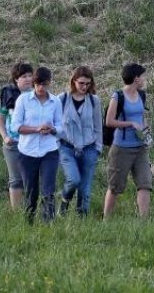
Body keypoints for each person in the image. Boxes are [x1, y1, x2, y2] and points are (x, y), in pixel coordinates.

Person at [10, 66, 62, 224]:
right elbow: (15, 127)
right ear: (34, 83)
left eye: (44, 84)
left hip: (49, 151)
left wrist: (52, 129)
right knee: (31, 191)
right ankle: (28, 222)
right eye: (38, 84)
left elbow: (61, 127)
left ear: (49, 83)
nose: (41, 88)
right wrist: (36, 129)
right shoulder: (23, 100)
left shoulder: (55, 101)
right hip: (27, 152)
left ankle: (48, 223)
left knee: (48, 189)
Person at [103, 63, 153, 219]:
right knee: (115, 187)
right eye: (143, 76)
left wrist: (146, 131)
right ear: (136, 78)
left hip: (140, 147)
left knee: (145, 184)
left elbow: (141, 117)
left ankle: (144, 221)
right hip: (121, 148)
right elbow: (109, 121)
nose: (145, 79)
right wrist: (130, 124)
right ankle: (106, 220)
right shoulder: (117, 96)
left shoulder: (141, 95)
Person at [57, 66, 102, 217]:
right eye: (81, 83)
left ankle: (82, 217)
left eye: (88, 84)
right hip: (67, 147)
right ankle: (64, 201)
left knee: (85, 187)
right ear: (73, 81)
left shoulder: (94, 101)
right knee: (73, 179)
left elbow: (98, 126)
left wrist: (98, 149)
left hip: (89, 147)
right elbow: (55, 124)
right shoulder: (62, 99)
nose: (84, 87)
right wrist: (58, 143)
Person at [0, 62, 34, 210]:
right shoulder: (8, 95)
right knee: (16, 180)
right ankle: (16, 212)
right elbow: (0, 118)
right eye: (24, 76)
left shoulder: (37, 94)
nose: (28, 79)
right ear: (16, 79)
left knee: (32, 179)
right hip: (14, 143)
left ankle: (32, 209)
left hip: (32, 142)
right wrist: (5, 137)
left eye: (30, 75)